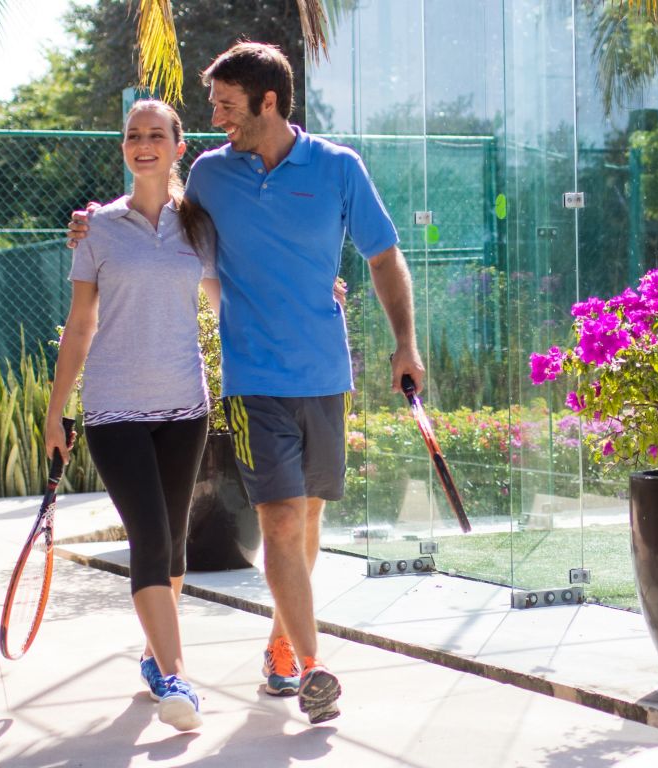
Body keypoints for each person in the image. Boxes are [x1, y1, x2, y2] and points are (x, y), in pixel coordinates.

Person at [70, 42, 422, 725]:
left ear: (268, 102)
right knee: (281, 519)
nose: (216, 117)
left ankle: (283, 648)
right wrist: (91, 222)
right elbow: (159, 214)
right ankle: (317, 669)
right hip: (252, 378)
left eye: (227, 105)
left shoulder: (339, 168)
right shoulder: (209, 175)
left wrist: (405, 344)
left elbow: (384, 256)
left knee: (308, 518)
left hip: (325, 374)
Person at [48, 99, 219, 731]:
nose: (142, 143)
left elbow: (233, 297)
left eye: (156, 135)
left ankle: (154, 660)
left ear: (178, 146)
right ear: (124, 147)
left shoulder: (199, 226)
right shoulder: (95, 229)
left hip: (186, 408)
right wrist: (54, 411)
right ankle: (178, 678)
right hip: (114, 410)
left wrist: (317, 294)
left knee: (172, 551)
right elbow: (80, 323)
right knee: (148, 538)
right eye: (133, 135)